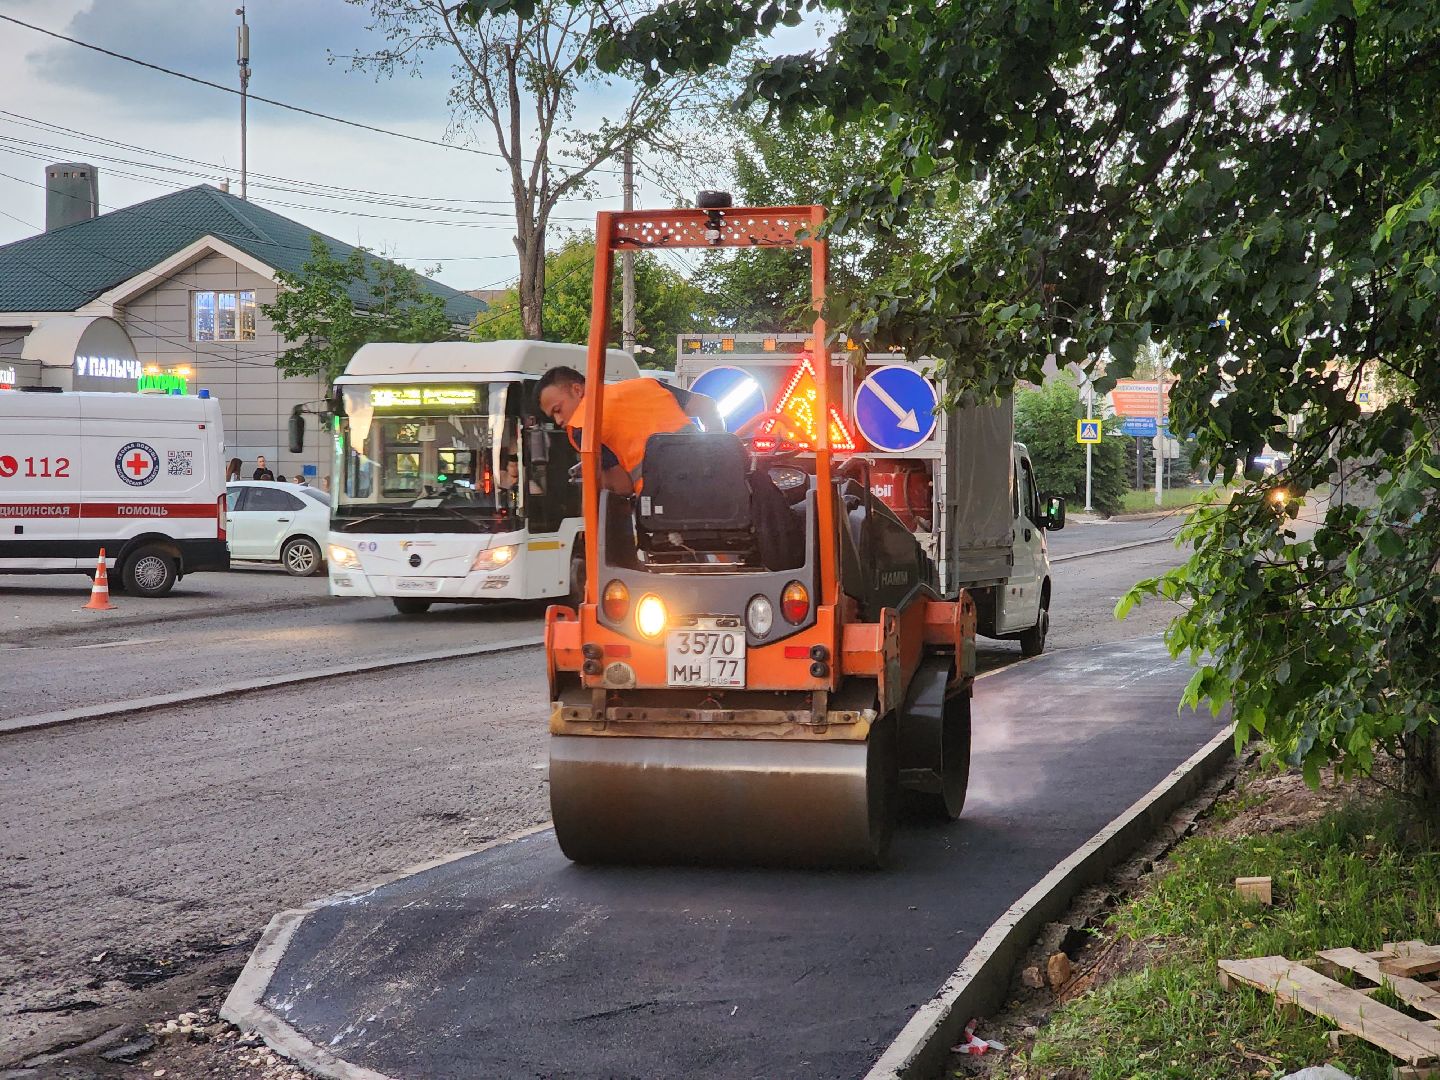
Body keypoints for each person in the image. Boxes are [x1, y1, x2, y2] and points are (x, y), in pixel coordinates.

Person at [535, 366, 696, 495]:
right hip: (711, 485)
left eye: (558, 410)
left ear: (577, 390)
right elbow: (707, 407)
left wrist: (596, 478)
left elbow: (623, 486)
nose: (559, 420)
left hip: (666, 502)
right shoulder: (647, 385)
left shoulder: (583, 426)